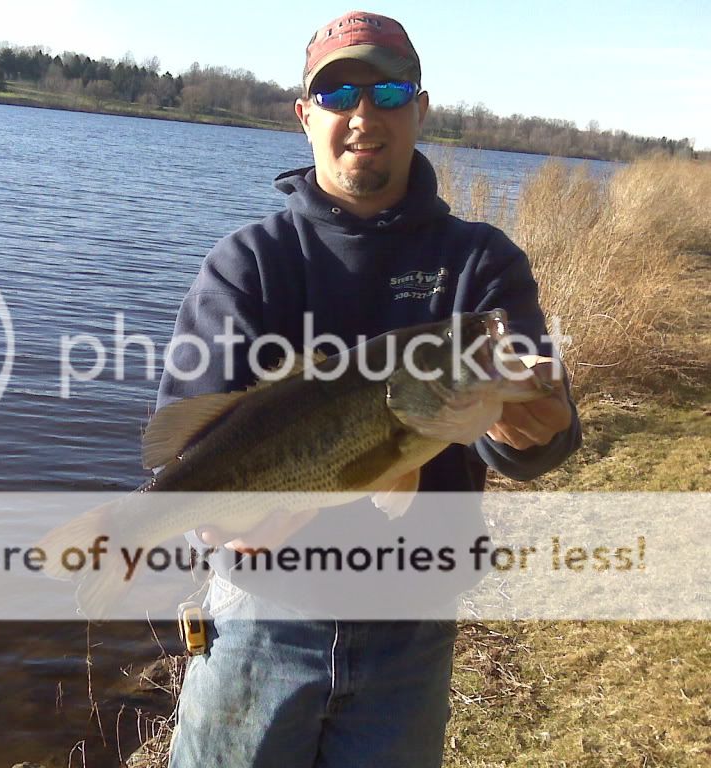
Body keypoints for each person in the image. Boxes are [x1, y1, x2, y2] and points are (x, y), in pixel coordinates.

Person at [156, 10, 581, 767]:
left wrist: (536, 428)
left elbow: (538, 437)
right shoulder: (247, 263)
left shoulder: (481, 264)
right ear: (304, 116)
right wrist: (211, 525)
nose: (362, 114)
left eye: (387, 92)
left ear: (420, 109)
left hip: (413, 630)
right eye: (337, 94)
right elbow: (186, 448)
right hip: (260, 619)